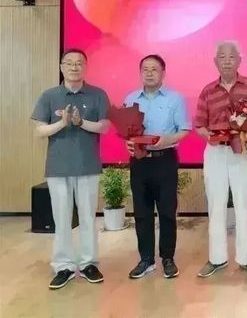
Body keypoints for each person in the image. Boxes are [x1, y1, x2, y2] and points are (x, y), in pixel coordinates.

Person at [31, 48, 110, 290]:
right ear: (61, 67)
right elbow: (39, 130)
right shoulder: (49, 95)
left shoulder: (98, 94)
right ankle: (63, 265)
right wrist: (62, 123)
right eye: (69, 63)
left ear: (85, 67)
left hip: (87, 165)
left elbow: (105, 127)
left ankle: (88, 264)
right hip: (58, 167)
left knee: (87, 217)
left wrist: (80, 122)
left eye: (79, 63)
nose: (74, 67)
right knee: (62, 218)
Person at [194, 41, 247, 279]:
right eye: (222, 57)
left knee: (245, 204)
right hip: (216, 152)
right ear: (215, 62)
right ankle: (217, 258)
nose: (227, 61)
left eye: (231, 57)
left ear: (239, 60)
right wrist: (210, 136)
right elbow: (199, 125)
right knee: (216, 205)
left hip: (244, 150)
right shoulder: (208, 91)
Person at [124, 54, 191, 279]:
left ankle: (168, 258)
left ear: (163, 73)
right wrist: (128, 143)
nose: (149, 73)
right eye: (145, 69)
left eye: (154, 69)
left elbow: (184, 129)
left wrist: (167, 140)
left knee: (167, 212)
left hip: (165, 160)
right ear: (140, 72)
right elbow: (126, 132)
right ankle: (146, 259)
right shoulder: (131, 99)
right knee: (142, 212)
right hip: (139, 162)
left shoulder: (175, 99)